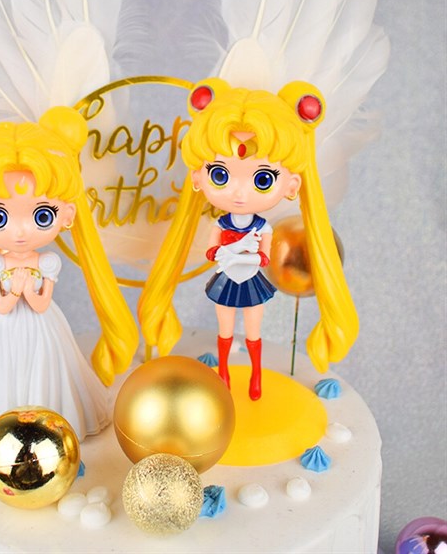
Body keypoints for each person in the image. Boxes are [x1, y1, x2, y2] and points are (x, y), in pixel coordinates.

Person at [0, 106, 138, 443]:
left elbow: (42, 302)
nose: (20, 231)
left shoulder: (47, 262)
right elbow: (1, 306)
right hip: (8, 326)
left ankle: (53, 429)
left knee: (48, 372)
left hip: (44, 324)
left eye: (42, 215)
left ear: (67, 215)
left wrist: (25, 290)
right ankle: (5, 427)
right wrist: (14, 290)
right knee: (6, 373)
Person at [138, 79, 358, 400]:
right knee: (225, 329)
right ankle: (224, 373)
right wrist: (228, 252)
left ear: (292, 186)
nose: (239, 193)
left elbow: (264, 259)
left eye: (262, 179)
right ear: (198, 177)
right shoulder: (221, 223)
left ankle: (256, 374)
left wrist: (242, 253)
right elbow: (212, 252)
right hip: (227, 279)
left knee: (254, 331)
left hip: (251, 280)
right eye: (220, 175)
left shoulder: (263, 228)